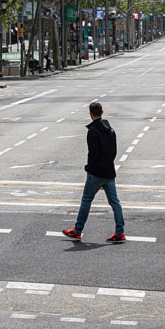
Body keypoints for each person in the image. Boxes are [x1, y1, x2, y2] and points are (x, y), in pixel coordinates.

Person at [63, 101, 125, 242]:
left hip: (96, 173)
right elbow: (114, 151)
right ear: (102, 112)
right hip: (109, 171)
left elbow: (93, 154)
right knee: (115, 202)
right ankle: (120, 231)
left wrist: (89, 168)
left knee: (86, 200)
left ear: (90, 113)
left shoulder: (93, 131)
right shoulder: (110, 130)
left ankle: (77, 230)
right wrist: (108, 164)